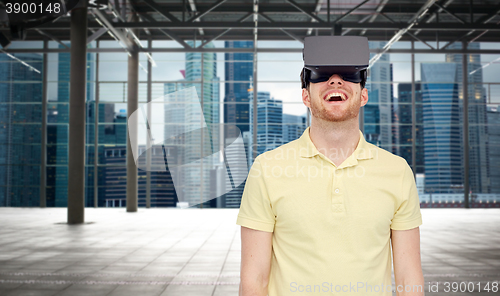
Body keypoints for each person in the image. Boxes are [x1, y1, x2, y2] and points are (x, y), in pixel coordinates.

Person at [236, 36, 424, 296]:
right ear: (305, 96)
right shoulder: (267, 169)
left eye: (349, 75)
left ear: (363, 95)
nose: (335, 81)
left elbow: (409, 277)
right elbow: (253, 281)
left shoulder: (397, 171)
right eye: (320, 75)